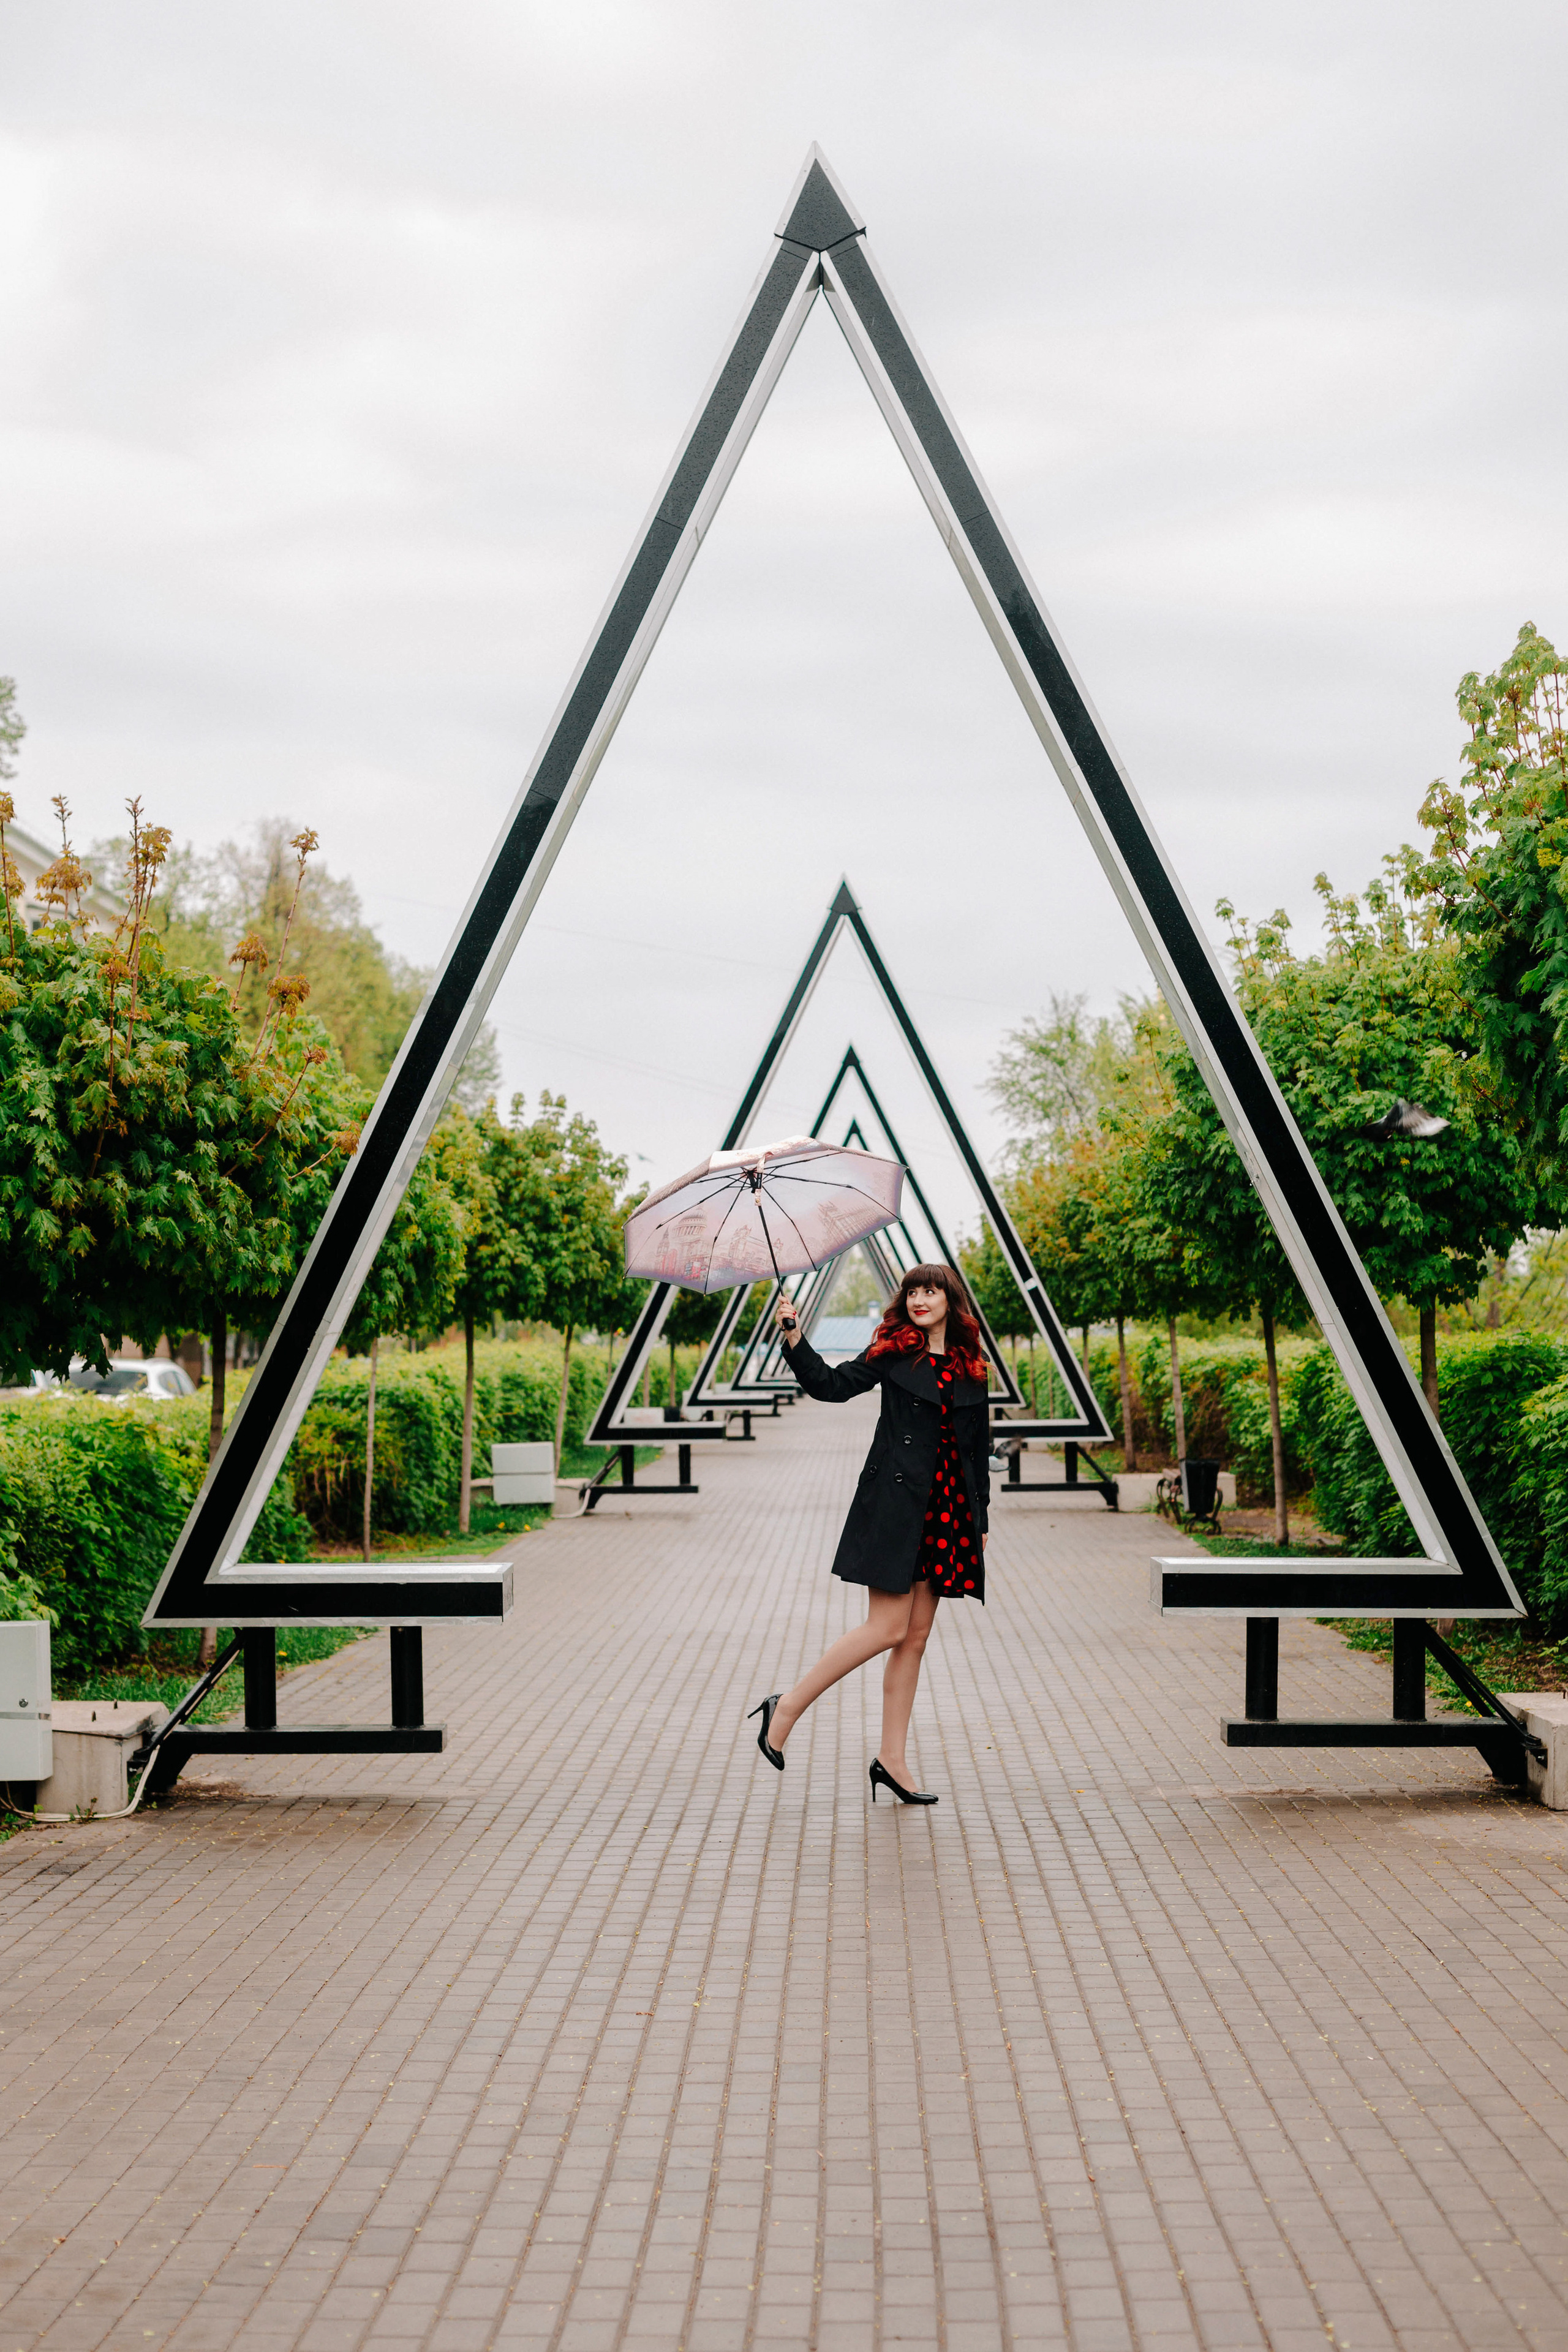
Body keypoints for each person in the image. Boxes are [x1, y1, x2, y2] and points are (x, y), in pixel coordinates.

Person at [748, 1263, 990, 1804]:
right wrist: (794, 1336)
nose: (920, 1299)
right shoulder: (893, 1354)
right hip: (896, 1508)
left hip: (949, 1514)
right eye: (912, 1291)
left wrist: (983, 1521)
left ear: (951, 1300)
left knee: (916, 1639)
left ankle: (892, 1760)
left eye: (930, 1291)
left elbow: (977, 1453)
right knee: (887, 1628)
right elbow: (831, 1386)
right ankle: (785, 1706)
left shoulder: (972, 1368)